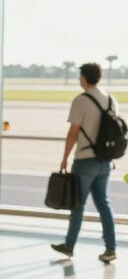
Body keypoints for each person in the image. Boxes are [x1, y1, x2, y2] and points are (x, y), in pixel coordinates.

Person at [51, 62, 120, 263]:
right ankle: (110, 247)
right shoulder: (110, 99)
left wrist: (64, 158)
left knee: (78, 204)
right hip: (105, 161)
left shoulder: (81, 101)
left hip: (85, 159)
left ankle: (69, 245)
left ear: (84, 78)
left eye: (79, 76)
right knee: (103, 204)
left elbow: (73, 133)